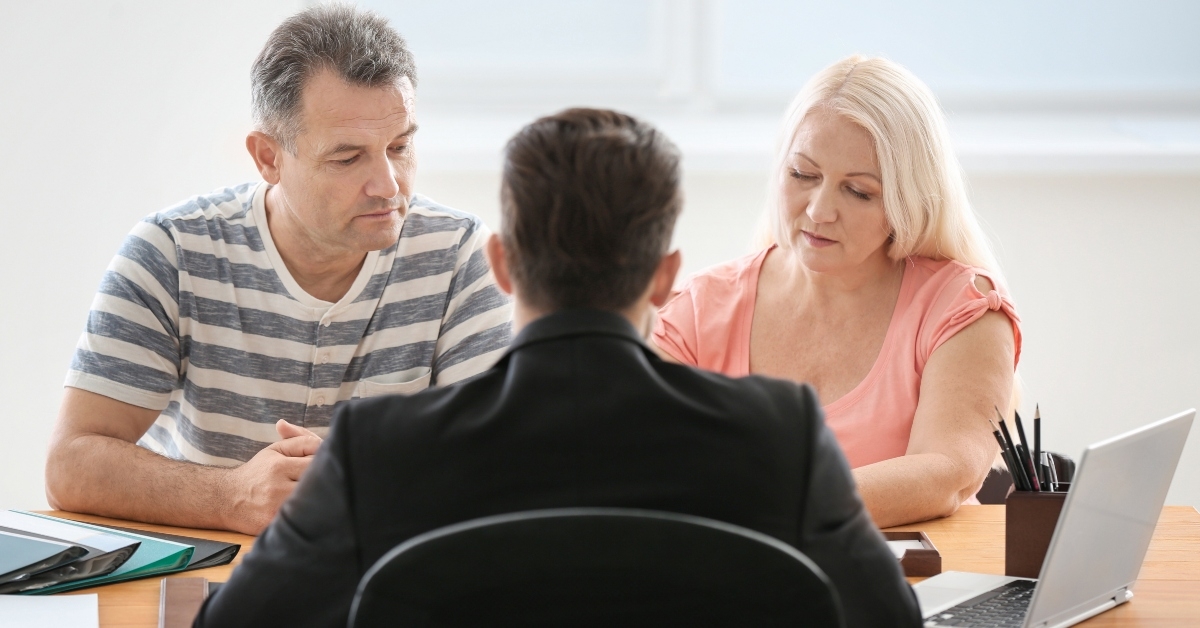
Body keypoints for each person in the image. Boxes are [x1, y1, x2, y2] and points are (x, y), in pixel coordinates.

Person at [193, 108, 921, 628]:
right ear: (666, 279)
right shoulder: (781, 436)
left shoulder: (376, 451)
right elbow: (891, 620)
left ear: (501, 266)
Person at [44, 5, 512, 535]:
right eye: (347, 157)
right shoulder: (171, 252)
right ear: (268, 157)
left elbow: (496, 474)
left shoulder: (458, 255)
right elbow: (71, 465)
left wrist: (359, 479)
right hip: (214, 591)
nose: (388, 185)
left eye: (400, 147)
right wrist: (231, 496)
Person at [653, 55, 1021, 529]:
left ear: (907, 199)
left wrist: (767, 504)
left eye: (859, 191)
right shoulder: (701, 308)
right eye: (803, 176)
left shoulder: (964, 309)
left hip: (911, 588)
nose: (820, 210)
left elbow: (945, 474)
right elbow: (642, 462)